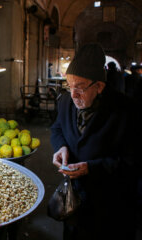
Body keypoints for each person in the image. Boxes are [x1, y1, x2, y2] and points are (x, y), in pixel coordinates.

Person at [50, 43, 140, 240]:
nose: (73, 95)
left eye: (80, 88)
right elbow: (57, 128)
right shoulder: (66, 101)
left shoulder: (126, 111)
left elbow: (133, 163)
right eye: (69, 86)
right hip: (74, 201)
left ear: (99, 86)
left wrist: (92, 167)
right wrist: (61, 147)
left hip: (111, 206)